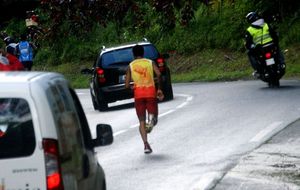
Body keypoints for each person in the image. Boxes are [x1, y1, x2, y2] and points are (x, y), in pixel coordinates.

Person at [125, 45, 164, 154]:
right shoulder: (150, 62)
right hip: (150, 93)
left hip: (138, 95)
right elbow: (159, 74)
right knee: (153, 118)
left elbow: (127, 85)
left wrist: (132, 87)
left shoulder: (130, 66)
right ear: (143, 53)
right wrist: (159, 89)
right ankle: (151, 122)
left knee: (141, 121)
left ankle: (146, 145)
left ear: (133, 54)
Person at [244, 11, 285, 77]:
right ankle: (281, 63)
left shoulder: (250, 30)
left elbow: (248, 42)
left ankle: (257, 69)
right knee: (278, 50)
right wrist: (275, 41)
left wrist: (251, 47)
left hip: (259, 48)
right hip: (271, 45)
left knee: (250, 53)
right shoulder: (266, 25)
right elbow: (274, 34)